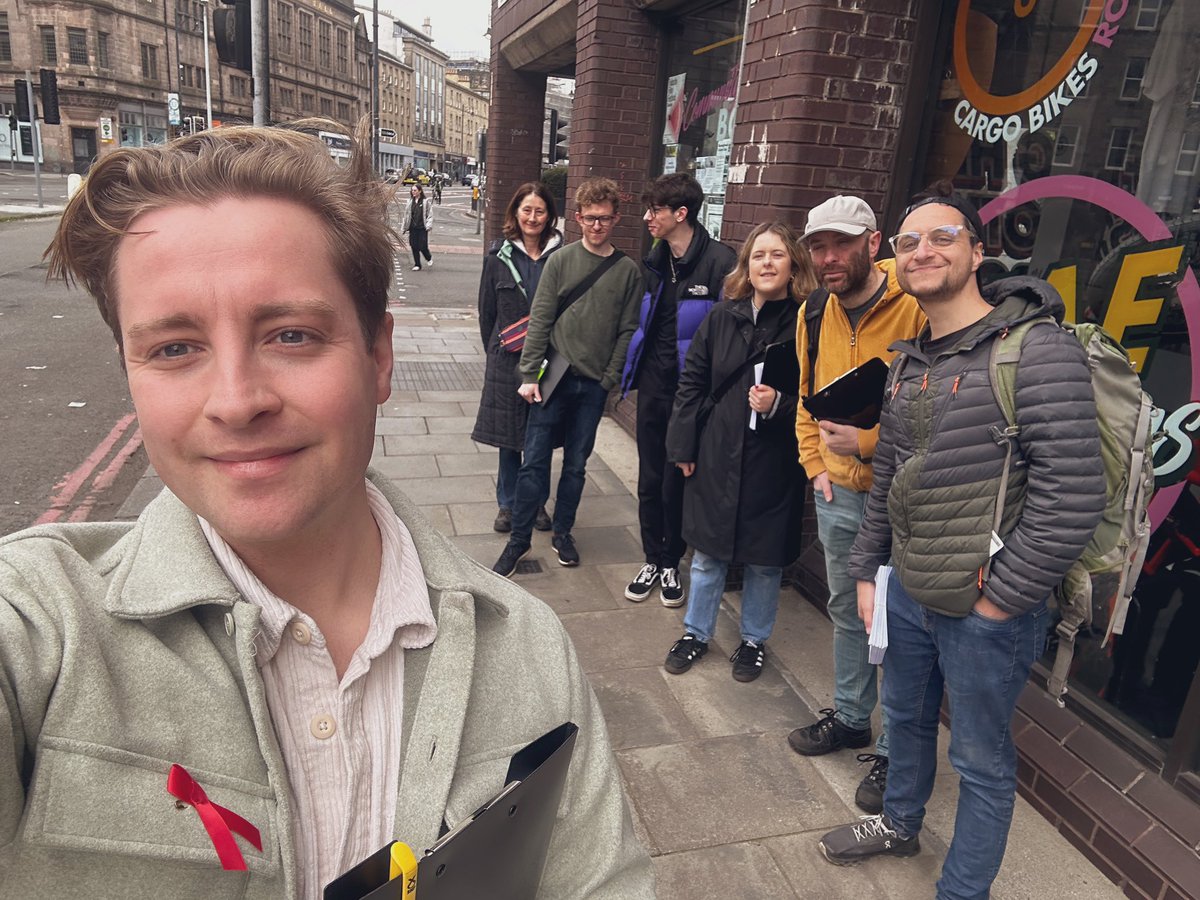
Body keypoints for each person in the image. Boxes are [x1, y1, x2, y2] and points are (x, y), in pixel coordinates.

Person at [2, 120, 655, 900]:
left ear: (379, 356)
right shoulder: (43, 631)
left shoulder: (529, 649)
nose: (237, 401)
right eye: (175, 348)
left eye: (291, 334)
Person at [817, 186, 1105, 899]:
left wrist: (1001, 603)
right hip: (910, 592)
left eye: (943, 237)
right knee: (907, 720)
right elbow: (887, 475)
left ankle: (961, 891)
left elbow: (1073, 498)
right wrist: (866, 570)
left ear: (978, 251)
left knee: (980, 761)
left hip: (986, 613)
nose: (924, 252)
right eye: (909, 243)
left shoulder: (1037, 353)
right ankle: (900, 821)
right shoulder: (911, 359)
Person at [786, 195, 926, 815]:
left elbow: (942, 417)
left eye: (841, 244)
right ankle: (849, 716)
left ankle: (897, 748)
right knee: (848, 608)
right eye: (818, 247)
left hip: (907, 498)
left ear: (874, 243)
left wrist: (866, 443)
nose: (828, 258)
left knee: (900, 627)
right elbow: (805, 395)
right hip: (839, 492)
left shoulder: (920, 304)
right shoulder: (814, 309)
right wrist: (815, 463)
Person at [662, 221, 815, 683]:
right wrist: (683, 445)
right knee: (707, 554)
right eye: (758, 255)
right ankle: (696, 633)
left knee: (765, 560)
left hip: (774, 460)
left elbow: (818, 395)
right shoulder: (721, 317)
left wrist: (780, 405)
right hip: (717, 452)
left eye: (777, 255)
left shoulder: (807, 323)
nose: (767, 263)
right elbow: (691, 384)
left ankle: (753, 640)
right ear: (746, 266)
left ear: (793, 266)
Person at [492, 177, 643, 576]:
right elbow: (540, 318)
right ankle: (519, 541)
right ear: (578, 218)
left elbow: (628, 328)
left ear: (616, 219)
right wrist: (528, 372)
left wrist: (610, 377)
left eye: (605, 219)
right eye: (591, 218)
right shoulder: (560, 261)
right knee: (534, 462)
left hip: (593, 385)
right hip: (553, 378)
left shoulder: (627, 271)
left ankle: (563, 532)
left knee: (576, 464)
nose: (598, 226)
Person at [619, 173, 737, 608]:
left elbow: (729, 335)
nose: (648, 217)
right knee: (650, 478)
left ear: (680, 214)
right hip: (652, 384)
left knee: (677, 481)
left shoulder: (721, 263)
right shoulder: (653, 260)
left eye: (656, 210)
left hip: (692, 394)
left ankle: (672, 561)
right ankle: (652, 557)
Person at [472, 182, 561, 535]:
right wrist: (495, 353)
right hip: (506, 362)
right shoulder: (498, 257)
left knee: (540, 438)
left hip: (548, 361)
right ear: (516, 213)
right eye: (527, 210)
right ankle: (508, 506)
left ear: (549, 215)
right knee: (509, 440)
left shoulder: (561, 256)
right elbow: (486, 313)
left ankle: (536, 504)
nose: (533, 217)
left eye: (540, 211)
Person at [400, 183, 433, 271]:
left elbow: (430, 215)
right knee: (414, 246)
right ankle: (417, 264)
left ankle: (428, 257)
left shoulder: (425, 202)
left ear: (420, 191)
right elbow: (406, 216)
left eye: (415, 190)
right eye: (412, 190)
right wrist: (404, 227)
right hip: (413, 228)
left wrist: (428, 225)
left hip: (422, 228)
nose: (413, 192)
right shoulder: (410, 202)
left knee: (423, 246)